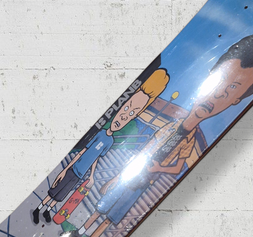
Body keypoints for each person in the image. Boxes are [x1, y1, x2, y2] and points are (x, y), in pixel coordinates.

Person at [72, 31, 253, 237]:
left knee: (112, 216)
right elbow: (147, 149)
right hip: (132, 176)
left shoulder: (191, 140)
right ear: (212, 74)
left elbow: (179, 166)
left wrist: (159, 168)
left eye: (233, 89)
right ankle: (79, 232)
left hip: (143, 183)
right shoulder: (170, 126)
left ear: (236, 101)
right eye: (222, 80)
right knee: (102, 207)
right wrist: (118, 176)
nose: (220, 92)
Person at [31, 69, 170, 224]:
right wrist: (65, 169)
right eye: (126, 108)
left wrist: (91, 176)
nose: (125, 116)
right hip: (73, 168)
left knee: (62, 194)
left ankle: (48, 210)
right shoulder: (100, 133)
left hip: (81, 174)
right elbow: (83, 151)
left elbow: (95, 158)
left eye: (132, 114)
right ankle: (39, 208)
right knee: (55, 190)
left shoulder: (110, 141)